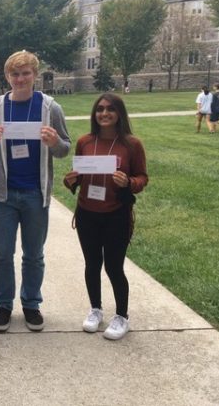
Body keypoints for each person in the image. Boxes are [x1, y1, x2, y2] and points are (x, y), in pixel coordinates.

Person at [0, 50, 70, 333]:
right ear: (7, 76)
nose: (20, 79)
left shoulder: (49, 108)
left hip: (35, 193)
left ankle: (31, 304)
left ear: (35, 75)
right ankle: (3, 305)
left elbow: (65, 148)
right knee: (2, 255)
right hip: (2, 195)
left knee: (34, 255)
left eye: (26, 73)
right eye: (15, 74)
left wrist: (54, 141)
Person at [63, 93, 148, 340]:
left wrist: (129, 181)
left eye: (110, 109)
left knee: (114, 266)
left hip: (116, 214)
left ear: (119, 113)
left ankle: (122, 316)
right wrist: (70, 180)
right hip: (87, 212)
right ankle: (95, 310)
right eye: (100, 109)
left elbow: (143, 177)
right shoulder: (85, 142)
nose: (104, 113)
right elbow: (78, 174)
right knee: (92, 264)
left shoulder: (132, 144)